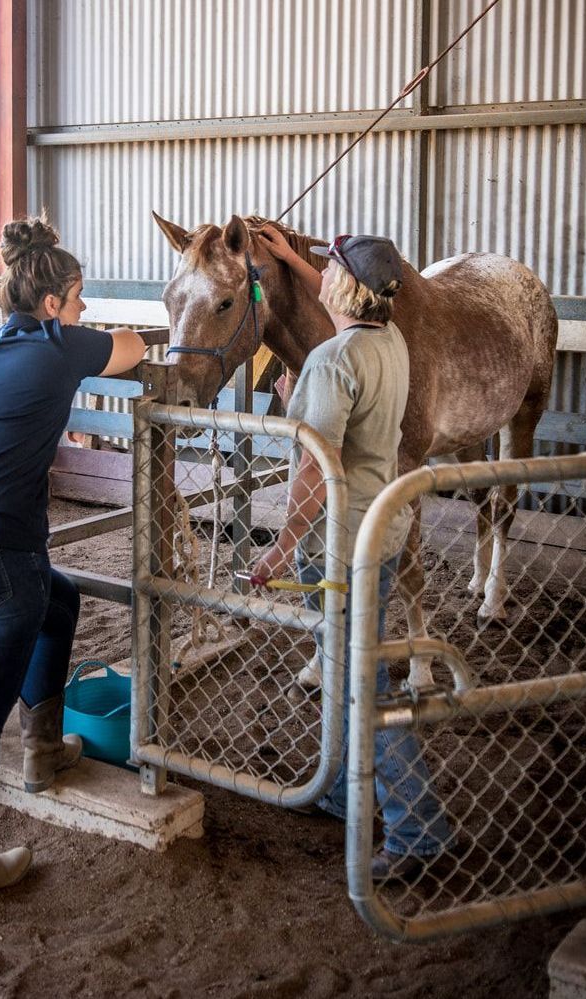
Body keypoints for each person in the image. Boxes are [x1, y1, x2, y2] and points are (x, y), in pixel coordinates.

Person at [0, 217, 146, 906]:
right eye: (77, 300)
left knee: (61, 601)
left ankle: (44, 746)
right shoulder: (57, 346)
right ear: (51, 305)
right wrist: (83, 333)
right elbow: (131, 348)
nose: (82, 312)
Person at [251, 227, 453, 881]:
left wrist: (281, 547)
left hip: (337, 542)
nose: (320, 275)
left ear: (341, 285)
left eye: (325, 269)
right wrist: (286, 258)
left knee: (359, 683)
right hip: (381, 531)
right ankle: (339, 792)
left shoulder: (331, 360)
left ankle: (418, 827)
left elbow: (314, 471)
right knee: (347, 672)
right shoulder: (387, 340)